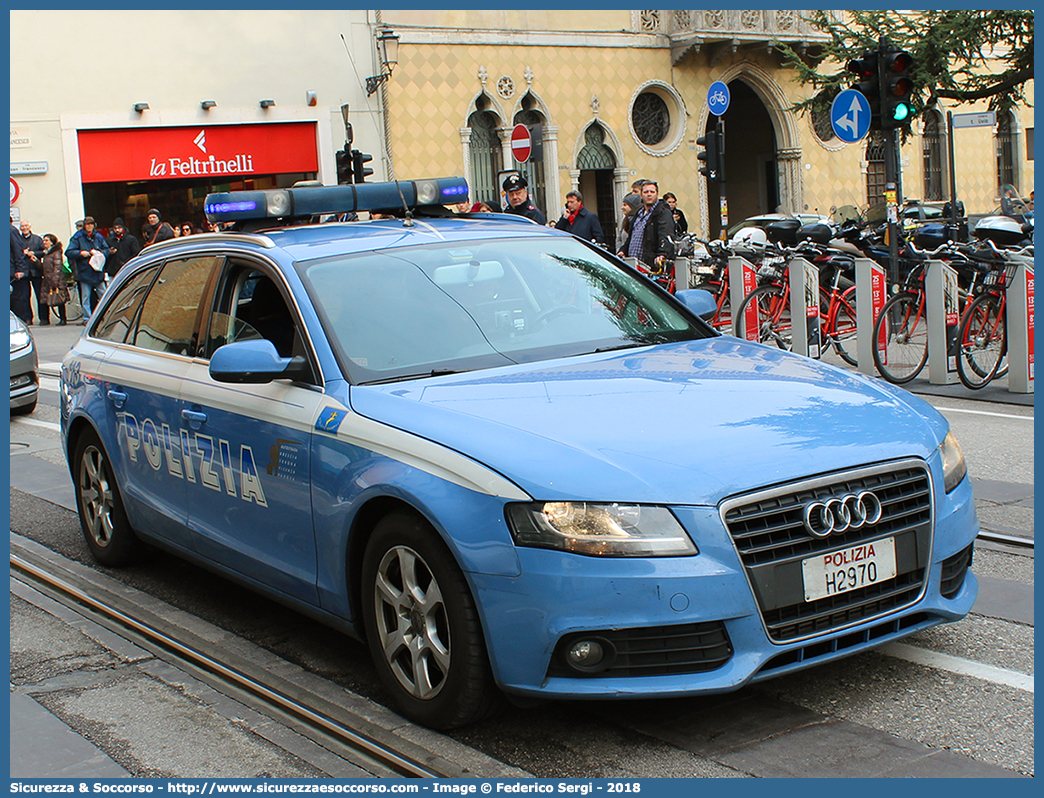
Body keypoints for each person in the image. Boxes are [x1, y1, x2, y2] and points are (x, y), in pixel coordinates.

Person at [618, 180, 675, 268]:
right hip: (633, 264)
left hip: (649, 265)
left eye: (652, 192)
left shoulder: (663, 212)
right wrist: (623, 250)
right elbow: (631, 236)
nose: (649, 194)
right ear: (641, 195)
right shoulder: (638, 213)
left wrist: (662, 254)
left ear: (657, 194)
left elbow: (665, 234)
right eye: (646, 192)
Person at [65, 216, 107, 322]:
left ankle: (106, 315)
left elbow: (106, 249)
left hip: (97, 270)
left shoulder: (98, 236)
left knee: (104, 295)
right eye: (87, 224)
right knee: (86, 297)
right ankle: (87, 318)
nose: (89, 226)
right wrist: (80, 253)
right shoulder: (77, 237)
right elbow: (69, 252)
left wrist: (101, 253)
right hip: (85, 270)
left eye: (91, 224)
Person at [19, 219, 46, 324]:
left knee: (40, 295)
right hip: (24, 271)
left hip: (36, 270)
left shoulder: (37, 239)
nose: (24, 228)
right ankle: (28, 318)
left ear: (29, 227)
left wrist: (33, 253)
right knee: (25, 297)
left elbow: (43, 252)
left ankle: (44, 318)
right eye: (22, 226)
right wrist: (23, 253)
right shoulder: (18, 239)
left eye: (26, 225)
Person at [39, 234, 70, 325]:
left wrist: (55, 282)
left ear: (51, 242)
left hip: (56, 280)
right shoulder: (46, 253)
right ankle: (45, 319)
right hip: (47, 279)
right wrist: (36, 262)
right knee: (45, 298)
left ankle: (63, 319)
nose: (44, 242)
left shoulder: (56, 253)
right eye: (44, 240)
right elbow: (44, 268)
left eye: (46, 240)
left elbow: (57, 268)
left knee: (59, 299)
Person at [10, 220, 31, 323]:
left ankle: (19, 323)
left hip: (11, 271)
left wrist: (19, 269)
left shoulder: (11, 230)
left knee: (16, 299)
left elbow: (17, 250)